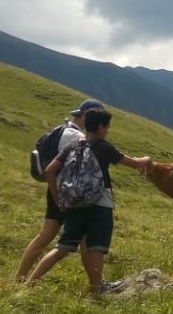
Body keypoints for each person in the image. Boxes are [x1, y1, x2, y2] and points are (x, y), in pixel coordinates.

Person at [27, 108, 152, 297]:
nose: (108, 130)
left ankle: (29, 283)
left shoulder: (72, 145)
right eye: (107, 126)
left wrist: (58, 198)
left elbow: (50, 171)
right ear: (101, 127)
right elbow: (135, 163)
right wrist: (147, 159)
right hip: (100, 205)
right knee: (96, 248)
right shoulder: (104, 147)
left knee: (61, 248)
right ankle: (96, 294)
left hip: (74, 204)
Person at [14, 99, 105, 281]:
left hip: (55, 189)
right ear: (88, 115)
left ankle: (19, 277)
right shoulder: (74, 137)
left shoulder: (63, 130)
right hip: (70, 194)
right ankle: (97, 286)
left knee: (45, 236)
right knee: (85, 240)